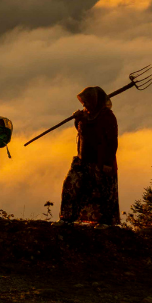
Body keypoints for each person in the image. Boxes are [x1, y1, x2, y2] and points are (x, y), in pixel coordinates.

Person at [59, 86, 120, 225]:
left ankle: (105, 222)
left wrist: (107, 164)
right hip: (83, 160)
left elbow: (112, 142)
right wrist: (78, 119)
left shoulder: (107, 117)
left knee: (102, 193)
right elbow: (83, 132)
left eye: (86, 101)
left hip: (101, 162)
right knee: (71, 185)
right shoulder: (86, 115)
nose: (84, 104)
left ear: (94, 101)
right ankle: (67, 218)